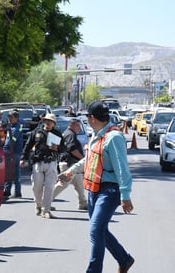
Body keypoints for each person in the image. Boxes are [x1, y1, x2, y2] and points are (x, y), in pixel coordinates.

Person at [60, 101, 134, 272]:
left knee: (95, 231)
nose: (87, 120)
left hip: (109, 190)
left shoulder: (113, 137)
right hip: (94, 189)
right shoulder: (97, 134)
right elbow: (88, 160)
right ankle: (124, 259)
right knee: (100, 230)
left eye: (87, 117)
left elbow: (122, 169)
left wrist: (125, 195)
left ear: (92, 118)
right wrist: (70, 172)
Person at [20, 113, 62, 219]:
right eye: (46, 120)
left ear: (54, 123)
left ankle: (46, 210)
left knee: (49, 188)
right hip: (38, 163)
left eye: (50, 121)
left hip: (51, 163)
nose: (48, 122)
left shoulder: (57, 134)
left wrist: (57, 148)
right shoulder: (36, 132)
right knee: (36, 187)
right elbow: (28, 145)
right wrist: (23, 158)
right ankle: (38, 205)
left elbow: (64, 149)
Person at [53, 118, 87, 210]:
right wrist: (83, 159)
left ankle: (83, 203)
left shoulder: (68, 133)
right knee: (63, 183)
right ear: (71, 125)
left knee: (79, 184)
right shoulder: (70, 134)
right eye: (77, 126)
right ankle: (46, 200)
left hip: (73, 164)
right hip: (69, 164)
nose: (79, 128)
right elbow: (72, 149)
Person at [3, 110, 24, 198]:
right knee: (9, 171)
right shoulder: (11, 126)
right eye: (9, 117)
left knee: (15, 172)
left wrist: (5, 149)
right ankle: (7, 191)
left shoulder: (17, 127)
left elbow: (12, 140)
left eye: (11, 117)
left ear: (16, 118)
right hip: (9, 152)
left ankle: (17, 192)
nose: (9, 119)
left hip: (14, 152)